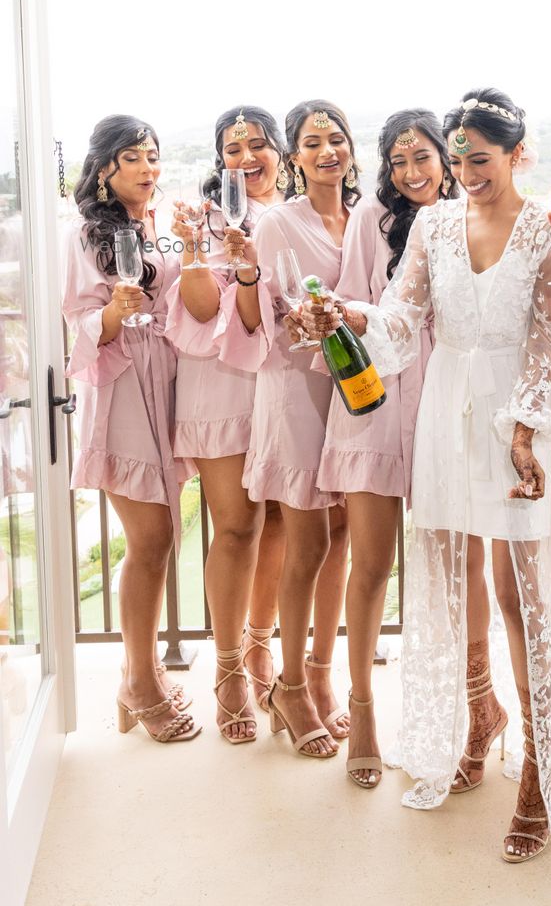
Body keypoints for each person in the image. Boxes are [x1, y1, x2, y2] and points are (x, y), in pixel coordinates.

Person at [334, 88, 551, 860]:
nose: (468, 172)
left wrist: (525, 433)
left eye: (482, 158)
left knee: (519, 593)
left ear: (518, 155)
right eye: (460, 159)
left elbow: (550, 341)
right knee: (448, 579)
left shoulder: (547, 229)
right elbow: (403, 318)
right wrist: (353, 317)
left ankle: (542, 771)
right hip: (446, 411)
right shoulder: (436, 225)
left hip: (514, 416)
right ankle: (472, 727)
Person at [315, 108, 454, 786]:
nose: (411, 172)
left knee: (446, 572)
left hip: (443, 401)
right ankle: (362, 710)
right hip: (375, 397)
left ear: (447, 157)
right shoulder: (373, 217)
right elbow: (346, 299)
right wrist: (342, 312)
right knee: (369, 565)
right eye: (399, 161)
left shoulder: (467, 217)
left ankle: (452, 711)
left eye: (422, 157)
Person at [63, 115, 198, 744]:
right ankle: (139, 683)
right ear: (105, 168)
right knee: (150, 537)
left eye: (153, 157)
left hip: (164, 378)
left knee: (165, 534)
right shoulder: (87, 233)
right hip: (120, 387)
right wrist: (115, 313)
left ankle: (136, 671)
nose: (148, 168)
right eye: (134, 158)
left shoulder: (162, 223)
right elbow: (80, 319)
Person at [165, 105, 287, 743]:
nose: (247, 156)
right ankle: (229, 669)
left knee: (282, 524)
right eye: (233, 147)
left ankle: (262, 644)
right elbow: (202, 307)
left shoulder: (291, 217)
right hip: (218, 383)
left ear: (280, 153)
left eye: (260, 144)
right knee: (237, 526)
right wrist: (192, 249)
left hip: (280, 383)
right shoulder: (203, 218)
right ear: (219, 159)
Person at [241, 100, 360, 757]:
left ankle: (320, 673)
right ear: (294, 156)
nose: (326, 151)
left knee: (342, 531)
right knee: (307, 540)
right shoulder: (278, 224)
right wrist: (303, 322)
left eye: (335, 138)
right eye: (312, 142)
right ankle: (289, 685)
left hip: (350, 389)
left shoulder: (366, 215)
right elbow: (270, 315)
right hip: (294, 388)